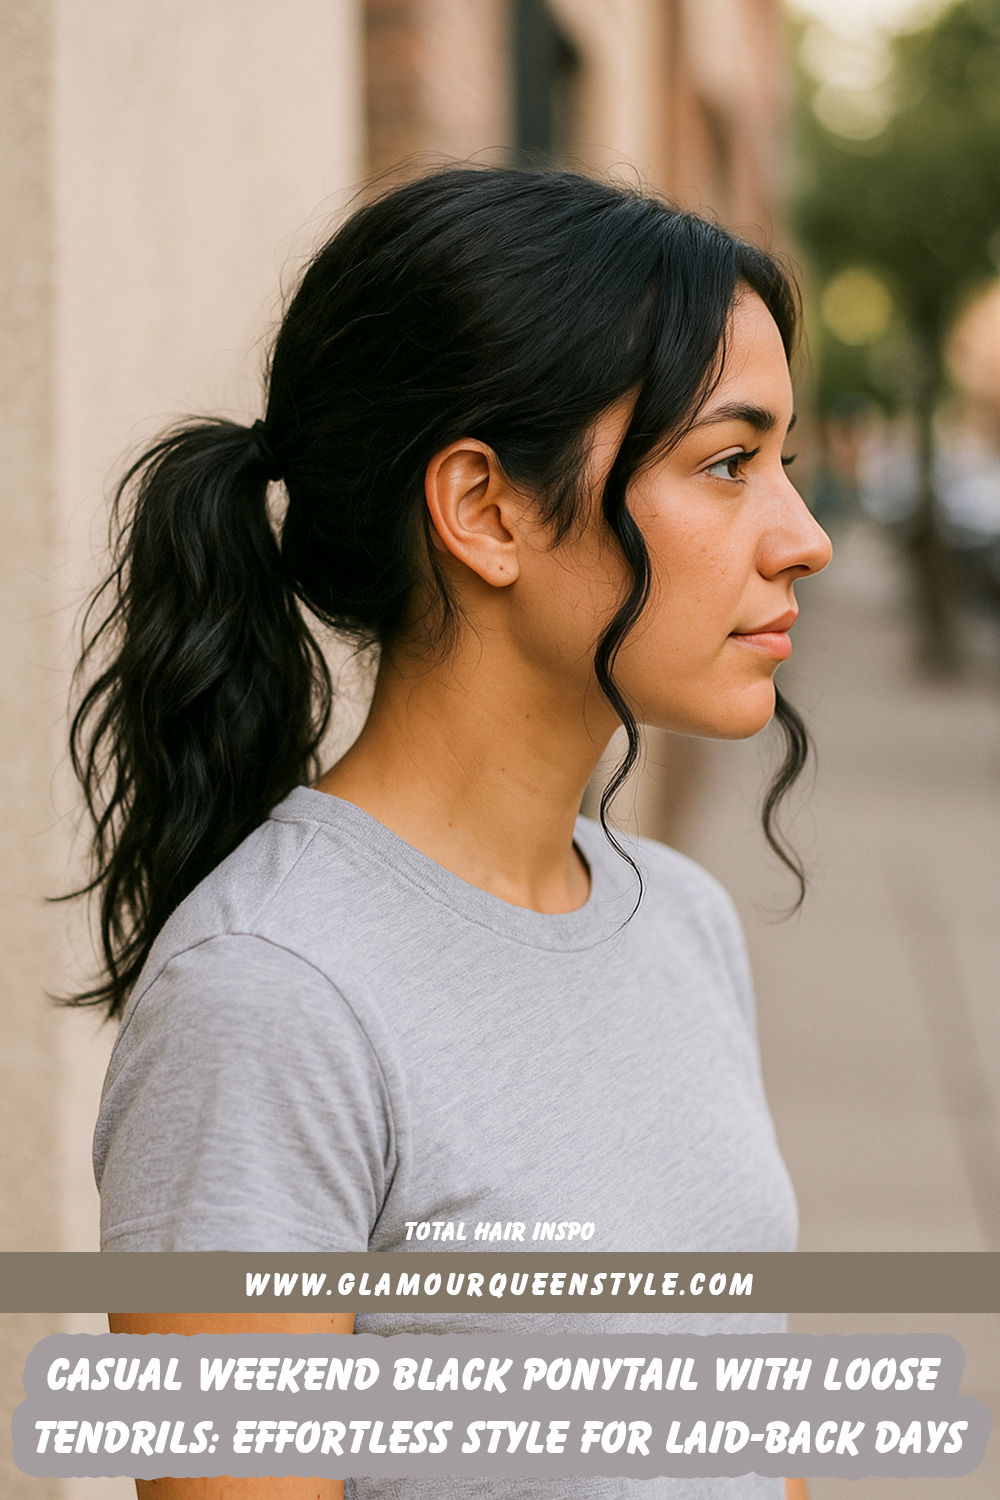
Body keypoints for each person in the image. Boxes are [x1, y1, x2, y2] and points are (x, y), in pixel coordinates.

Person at [71, 167, 829, 1500]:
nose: (802, 538)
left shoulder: (681, 921)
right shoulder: (270, 1000)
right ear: (486, 509)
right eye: (728, 462)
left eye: (782, 463)